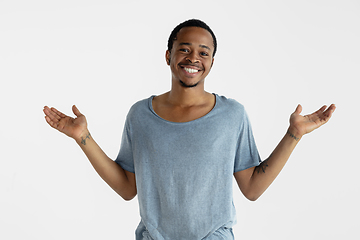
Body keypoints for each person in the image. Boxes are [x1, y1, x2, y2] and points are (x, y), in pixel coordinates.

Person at [43, 19, 336, 240]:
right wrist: (83, 137)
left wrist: (294, 134)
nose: (193, 58)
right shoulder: (140, 116)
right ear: (168, 55)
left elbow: (252, 188)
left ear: (211, 62)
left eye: (203, 52)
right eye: (184, 49)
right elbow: (127, 188)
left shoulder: (232, 115)